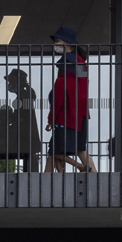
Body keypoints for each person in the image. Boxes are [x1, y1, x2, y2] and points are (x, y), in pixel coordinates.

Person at [45, 27, 92, 173]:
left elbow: (60, 97)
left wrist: (51, 119)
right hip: (79, 112)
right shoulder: (80, 61)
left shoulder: (67, 66)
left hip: (66, 115)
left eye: (59, 41)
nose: (56, 44)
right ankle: (94, 174)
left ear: (68, 43)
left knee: (56, 150)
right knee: (79, 149)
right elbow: (84, 84)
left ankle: (84, 169)